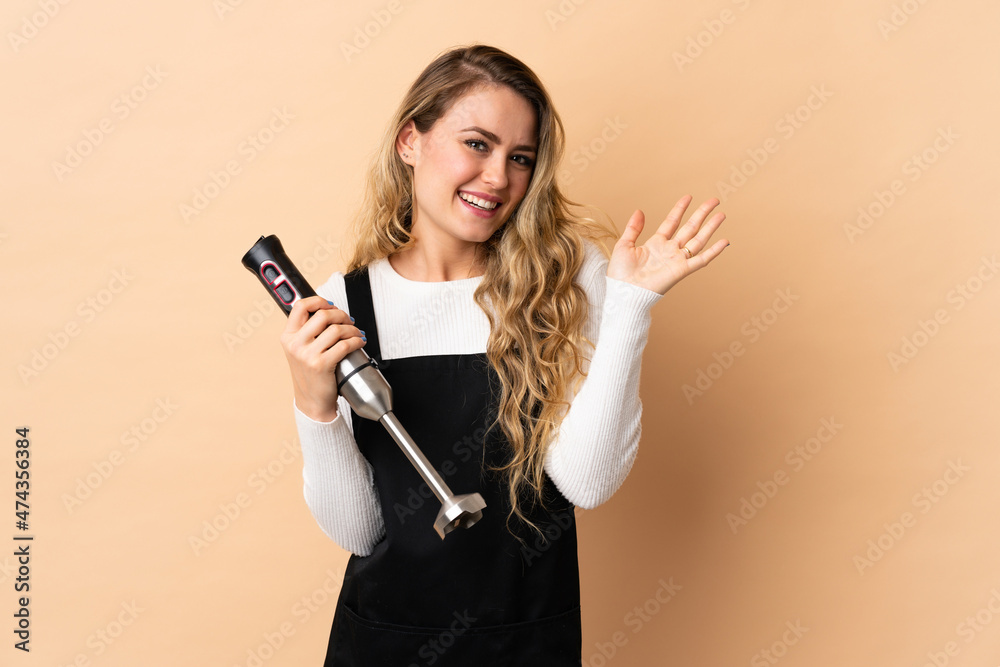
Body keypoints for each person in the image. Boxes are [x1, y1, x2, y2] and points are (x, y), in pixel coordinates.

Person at [279, 44, 728, 666]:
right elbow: (358, 532)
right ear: (411, 141)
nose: (498, 178)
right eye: (477, 144)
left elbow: (586, 483)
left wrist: (630, 306)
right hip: (383, 644)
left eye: (521, 158)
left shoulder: (569, 285)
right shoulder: (340, 306)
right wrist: (314, 402)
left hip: (527, 643)